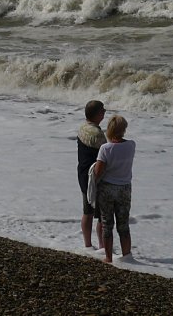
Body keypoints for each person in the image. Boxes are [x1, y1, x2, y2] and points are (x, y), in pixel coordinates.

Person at [93, 114, 135, 263]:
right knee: (123, 224)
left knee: (107, 224)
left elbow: (98, 172)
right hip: (125, 187)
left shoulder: (105, 148)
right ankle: (127, 255)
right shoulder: (131, 145)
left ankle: (109, 257)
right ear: (124, 129)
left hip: (108, 188)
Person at [77, 100, 107, 250]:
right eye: (103, 110)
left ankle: (87, 245)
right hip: (95, 176)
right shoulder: (97, 134)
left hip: (82, 173)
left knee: (87, 211)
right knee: (101, 215)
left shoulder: (82, 128)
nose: (105, 112)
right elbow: (105, 155)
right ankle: (102, 246)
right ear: (97, 114)